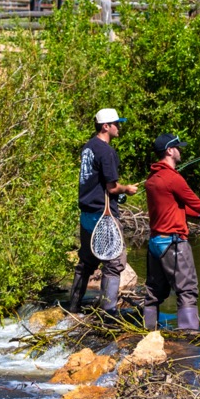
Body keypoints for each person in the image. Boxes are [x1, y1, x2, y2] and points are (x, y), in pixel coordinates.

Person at [141, 133, 200, 331]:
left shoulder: (152, 179)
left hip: (155, 244)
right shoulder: (173, 179)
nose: (180, 150)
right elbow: (196, 203)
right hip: (174, 244)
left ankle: (147, 331)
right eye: (178, 147)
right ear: (169, 151)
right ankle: (189, 337)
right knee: (187, 291)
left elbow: (178, 207)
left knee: (154, 292)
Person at [68, 108, 139, 313]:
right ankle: (109, 314)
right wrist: (127, 189)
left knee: (86, 262)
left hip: (87, 214)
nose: (119, 127)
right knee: (115, 263)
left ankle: (73, 308)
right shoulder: (106, 151)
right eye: (116, 123)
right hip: (104, 216)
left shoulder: (88, 147)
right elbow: (112, 188)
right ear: (105, 126)